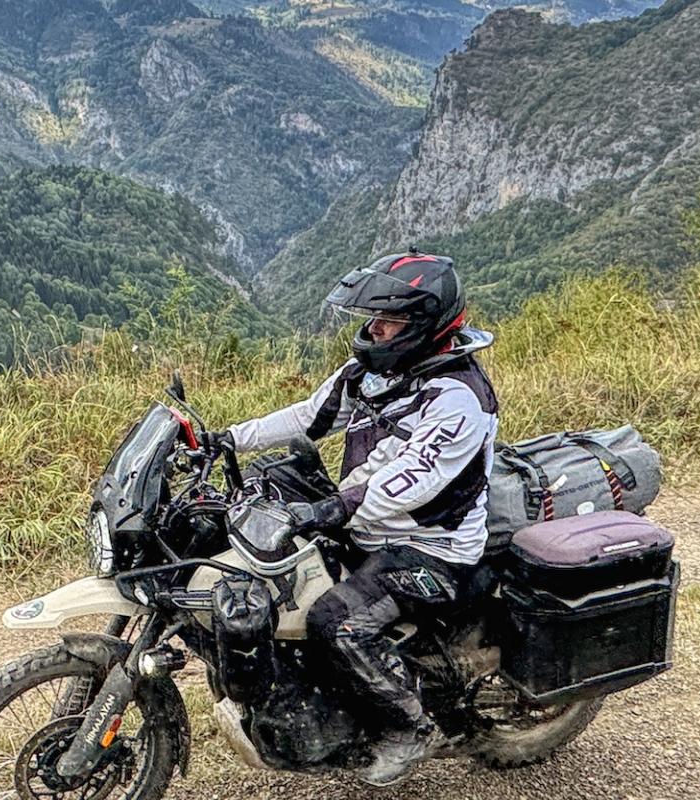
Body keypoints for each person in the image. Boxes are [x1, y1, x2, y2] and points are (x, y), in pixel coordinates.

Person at [211, 251, 499, 786]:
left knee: (334, 620)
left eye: (387, 322)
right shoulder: (372, 373)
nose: (373, 330)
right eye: (372, 319)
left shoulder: (459, 399)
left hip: (432, 550)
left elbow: (409, 480)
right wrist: (228, 437)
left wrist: (328, 509)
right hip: (366, 524)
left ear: (423, 328)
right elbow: (308, 416)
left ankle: (409, 727)